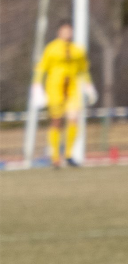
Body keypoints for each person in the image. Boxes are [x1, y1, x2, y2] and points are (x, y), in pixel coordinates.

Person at [30, 21, 93, 167]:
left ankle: (69, 154)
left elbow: (84, 69)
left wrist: (88, 86)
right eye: (64, 31)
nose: (67, 34)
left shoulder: (78, 50)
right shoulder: (51, 49)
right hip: (55, 88)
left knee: (73, 119)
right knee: (56, 121)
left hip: (72, 89)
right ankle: (55, 156)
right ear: (59, 32)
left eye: (69, 31)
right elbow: (41, 68)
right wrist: (36, 85)